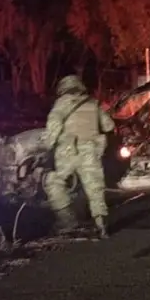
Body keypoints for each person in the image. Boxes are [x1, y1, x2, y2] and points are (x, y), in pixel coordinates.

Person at [40, 75, 115, 239]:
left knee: (53, 181)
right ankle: (101, 225)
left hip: (68, 151)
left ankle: (67, 221)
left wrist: (47, 148)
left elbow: (53, 128)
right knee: (95, 188)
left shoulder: (61, 104)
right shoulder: (93, 104)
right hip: (90, 150)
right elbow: (109, 125)